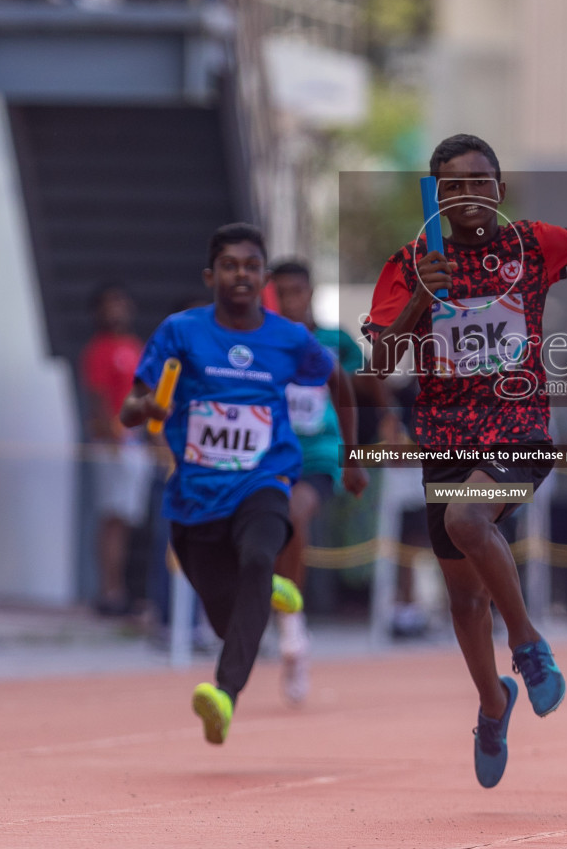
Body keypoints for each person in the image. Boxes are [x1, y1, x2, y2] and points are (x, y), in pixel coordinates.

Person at [364, 133, 567, 788]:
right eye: (455, 185)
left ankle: (527, 646)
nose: (471, 194)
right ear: (436, 196)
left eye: (482, 181)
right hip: (444, 438)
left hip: (520, 426)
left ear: (500, 187)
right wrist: (417, 303)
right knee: (463, 598)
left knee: (468, 524)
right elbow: (378, 367)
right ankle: (493, 705)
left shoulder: (530, 243)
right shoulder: (409, 264)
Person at [119, 223, 367, 747]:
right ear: (211, 275)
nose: (241, 274)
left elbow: (339, 381)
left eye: (252, 266)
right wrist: (149, 407)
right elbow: (129, 408)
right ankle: (269, 592)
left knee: (259, 555)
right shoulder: (180, 332)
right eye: (230, 265)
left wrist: (352, 457)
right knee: (227, 615)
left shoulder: (288, 338)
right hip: (195, 498)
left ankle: (224, 694)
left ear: (263, 279)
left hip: (265, 478)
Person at [268, 258, 377, 705]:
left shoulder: (334, 342)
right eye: (283, 293)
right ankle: (284, 623)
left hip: (318, 456)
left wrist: (358, 454)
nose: (291, 300)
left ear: (310, 292)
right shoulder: (264, 341)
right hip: (268, 455)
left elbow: (364, 387)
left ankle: (293, 630)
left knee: (295, 514)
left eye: (297, 291)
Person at [81, 283, 153, 617]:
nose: (116, 312)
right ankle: (109, 590)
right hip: (114, 442)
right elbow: (97, 396)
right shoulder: (99, 349)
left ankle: (121, 587)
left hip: (135, 440)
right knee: (111, 518)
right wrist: (111, 435)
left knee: (126, 520)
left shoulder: (135, 346)